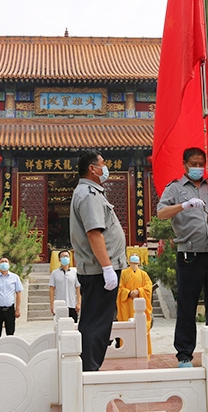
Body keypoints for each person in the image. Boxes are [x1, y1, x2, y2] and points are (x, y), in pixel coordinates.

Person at [156, 147, 208, 368]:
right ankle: (184, 354)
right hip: (189, 255)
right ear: (184, 165)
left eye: (201, 163)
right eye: (194, 163)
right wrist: (183, 205)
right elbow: (161, 213)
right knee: (187, 306)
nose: (198, 167)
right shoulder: (175, 188)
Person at [70, 150, 127, 371]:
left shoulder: (90, 192)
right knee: (97, 324)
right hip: (98, 271)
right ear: (92, 169)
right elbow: (95, 233)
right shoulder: (89, 195)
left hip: (99, 270)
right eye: (103, 164)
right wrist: (107, 268)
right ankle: (89, 370)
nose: (106, 168)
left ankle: (88, 368)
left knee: (96, 321)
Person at [117, 253, 153, 354]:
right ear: (128, 261)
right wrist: (128, 293)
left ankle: (143, 351)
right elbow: (119, 288)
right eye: (132, 255)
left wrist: (138, 291)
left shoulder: (143, 274)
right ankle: (126, 352)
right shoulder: (123, 273)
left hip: (140, 304)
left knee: (142, 326)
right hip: (127, 305)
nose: (134, 256)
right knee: (126, 328)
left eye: (136, 255)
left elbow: (148, 287)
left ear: (139, 261)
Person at [0, 257, 23, 341]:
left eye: (6, 261)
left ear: (9, 265)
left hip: (10, 309)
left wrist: (17, 309)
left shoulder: (15, 277)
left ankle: (9, 351)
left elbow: (18, 293)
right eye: (2, 262)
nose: (4, 263)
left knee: (10, 334)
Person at [49, 250, 81, 323]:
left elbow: (78, 288)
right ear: (59, 259)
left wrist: (79, 303)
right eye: (63, 256)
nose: (65, 258)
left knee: (73, 326)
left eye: (67, 256)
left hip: (72, 304)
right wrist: (52, 304)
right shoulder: (55, 273)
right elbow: (51, 289)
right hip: (60, 305)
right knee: (60, 326)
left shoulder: (75, 272)